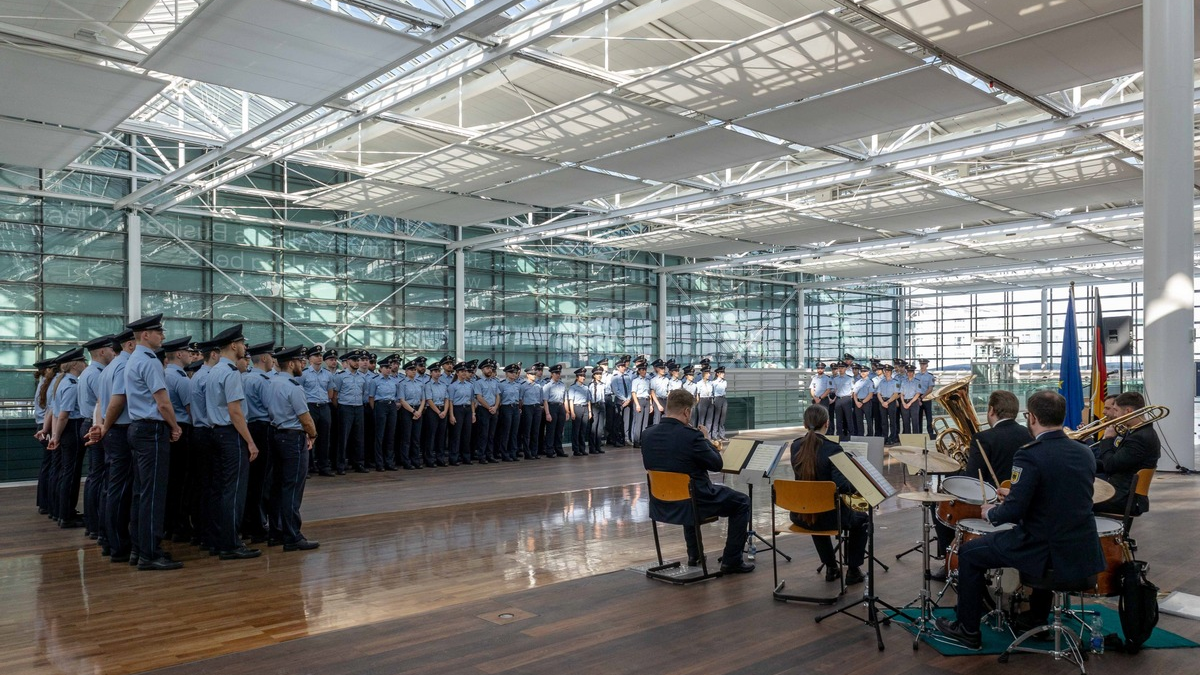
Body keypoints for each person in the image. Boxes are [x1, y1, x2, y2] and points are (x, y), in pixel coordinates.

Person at [936, 390, 1104, 649]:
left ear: (1032, 417)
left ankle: (967, 629)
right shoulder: (1084, 451)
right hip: (1080, 547)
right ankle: (1034, 619)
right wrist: (1015, 492)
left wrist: (991, 512)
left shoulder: (1030, 454)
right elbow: (1058, 494)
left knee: (969, 553)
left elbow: (1012, 513)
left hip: (1040, 546)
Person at [641, 389, 753, 574]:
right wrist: (707, 439)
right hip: (697, 501)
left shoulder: (647, 434)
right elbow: (716, 465)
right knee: (741, 502)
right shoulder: (692, 436)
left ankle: (695, 555)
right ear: (686, 411)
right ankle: (731, 560)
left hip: (660, 502)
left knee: (686, 491)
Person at [931, 390, 1032, 571]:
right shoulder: (1030, 435)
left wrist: (958, 468)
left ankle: (949, 559)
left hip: (990, 503)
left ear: (991, 410)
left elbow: (971, 480)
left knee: (939, 503)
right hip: (1022, 502)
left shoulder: (983, 438)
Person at [123, 315, 184, 570]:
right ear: (145, 335)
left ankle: (140, 548)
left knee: (141, 492)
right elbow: (162, 402)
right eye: (159, 332)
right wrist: (175, 426)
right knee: (153, 494)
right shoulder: (149, 362)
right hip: (152, 430)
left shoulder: (133, 359)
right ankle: (150, 553)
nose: (163, 336)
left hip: (138, 429)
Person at [789, 404, 868, 585]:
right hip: (830, 518)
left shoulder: (795, 446)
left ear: (804, 424)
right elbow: (842, 486)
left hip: (800, 515)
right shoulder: (833, 449)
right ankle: (853, 570)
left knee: (815, 511)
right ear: (827, 423)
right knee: (862, 518)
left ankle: (831, 567)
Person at [205, 324, 262, 561]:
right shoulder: (230, 373)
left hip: (215, 433)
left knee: (221, 490)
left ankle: (220, 541)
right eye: (243, 343)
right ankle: (231, 544)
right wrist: (251, 442)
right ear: (234, 345)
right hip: (231, 435)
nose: (245, 347)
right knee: (234, 491)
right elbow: (235, 411)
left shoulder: (213, 371)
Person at [265, 345, 319, 551]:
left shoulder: (271, 382)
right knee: (293, 488)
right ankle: (292, 535)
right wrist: (313, 435)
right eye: (299, 361)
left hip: (276, 434)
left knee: (278, 487)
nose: (302, 364)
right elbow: (305, 419)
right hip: (293, 438)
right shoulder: (293, 387)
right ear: (291, 364)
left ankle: (276, 532)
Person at [96, 329, 137, 563]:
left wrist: (102, 426)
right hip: (119, 431)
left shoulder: (111, 367)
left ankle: (110, 539)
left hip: (113, 430)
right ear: (130, 345)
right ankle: (119, 544)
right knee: (120, 491)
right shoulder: (122, 367)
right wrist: (106, 426)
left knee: (112, 488)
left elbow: (102, 402)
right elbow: (116, 402)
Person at [1093, 391, 1160, 515]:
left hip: (1123, 498)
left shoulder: (1140, 438)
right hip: (1121, 491)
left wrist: (1107, 439)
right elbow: (1114, 460)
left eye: (1116, 410)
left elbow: (1110, 465)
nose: (1115, 415)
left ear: (1128, 411)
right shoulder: (1136, 432)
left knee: (1073, 499)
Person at [46, 347, 88, 529]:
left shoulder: (60, 383)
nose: (85, 364)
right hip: (72, 428)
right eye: (83, 361)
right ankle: (67, 515)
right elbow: (63, 415)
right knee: (71, 473)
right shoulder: (71, 385)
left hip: (64, 430)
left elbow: (55, 414)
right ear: (75, 364)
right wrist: (57, 435)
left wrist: (55, 435)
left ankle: (61, 511)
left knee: (65, 472)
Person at [78, 335, 114, 541]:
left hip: (88, 421)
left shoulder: (87, 373)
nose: (112, 352)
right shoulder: (98, 375)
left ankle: (92, 524)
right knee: (100, 477)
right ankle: (97, 524)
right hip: (96, 423)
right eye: (110, 349)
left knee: (94, 476)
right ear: (102, 352)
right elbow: (105, 403)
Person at [241, 341, 276, 543]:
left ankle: (247, 523)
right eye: (271, 356)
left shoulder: (243, 378)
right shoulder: (262, 381)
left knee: (251, 479)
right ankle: (258, 525)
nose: (273, 361)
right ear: (263, 358)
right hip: (262, 428)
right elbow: (272, 409)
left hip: (248, 428)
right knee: (262, 482)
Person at [161, 336, 194, 544]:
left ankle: (168, 524)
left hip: (167, 431)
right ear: (180, 354)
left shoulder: (163, 375)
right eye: (189, 352)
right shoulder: (181, 379)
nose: (191, 355)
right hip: (183, 431)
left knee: (170, 481)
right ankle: (180, 526)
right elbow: (192, 411)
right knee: (183, 483)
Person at [332, 351, 367, 473]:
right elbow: (335, 396)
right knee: (343, 438)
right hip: (345, 407)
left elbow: (364, 393)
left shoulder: (362, 377)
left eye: (358, 360)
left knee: (359, 437)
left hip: (359, 407)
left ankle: (358, 463)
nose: (357, 363)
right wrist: (341, 408)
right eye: (354, 360)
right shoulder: (340, 376)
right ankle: (340, 465)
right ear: (347, 362)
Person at [301, 346, 334, 477]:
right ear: (309, 359)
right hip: (310, 406)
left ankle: (323, 466)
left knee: (325, 438)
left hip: (324, 406)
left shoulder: (328, 374)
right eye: (316, 355)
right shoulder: (303, 374)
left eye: (320, 355)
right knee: (308, 437)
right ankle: (308, 466)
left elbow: (330, 393)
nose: (319, 357)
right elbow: (299, 392)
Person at [368, 358, 399, 471]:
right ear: (380, 369)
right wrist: (375, 410)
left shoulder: (393, 381)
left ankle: (389, 462)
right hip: (380, 405)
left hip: (391, 406)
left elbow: (396, 396)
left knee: (390, 435)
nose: (388, 370)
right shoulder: (375, 380)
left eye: (390, 368)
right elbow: (371, 397)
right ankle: (379, 463)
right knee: (379, 436)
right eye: (386, 368)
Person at [423, 363, 451, 466]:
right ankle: (429, 459)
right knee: (431, 435)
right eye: (435, 371)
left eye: (439, 371)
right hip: (432, 411)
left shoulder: (443, 385)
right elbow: (429, 400)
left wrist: (444, 411)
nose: (438, 373)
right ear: (431, 373)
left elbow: (446, 399)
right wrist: (439, 412)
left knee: (441, 435)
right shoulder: (428, 385)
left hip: (443, 410)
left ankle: (440, 458)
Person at [447, 362, 475, 465]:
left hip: (467, 409)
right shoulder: (453, 386)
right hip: (457, 409)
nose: (464, 373)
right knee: (456, 435)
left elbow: (472, 400)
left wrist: (473, 413)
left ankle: (466, 457)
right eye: (462, 371)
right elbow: (450, 401)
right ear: (457, 373)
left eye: (465, 371)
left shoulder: (470, 385)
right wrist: (451, 415)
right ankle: (454, 457)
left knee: (467, 434)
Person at [472, 359, 500, 463]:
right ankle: (482, 456)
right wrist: (489, 407)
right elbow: (479, 397)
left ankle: (490, 455)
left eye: (491, 368)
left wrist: (495, 407)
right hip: (483, 410)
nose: (490, 370)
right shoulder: (478, 382)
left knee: (491, 434)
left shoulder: (494, 382)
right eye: (487, 368)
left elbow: (497, 395)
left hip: (493, 409)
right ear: (482, 369)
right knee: (483, 434)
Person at [496, 363, 523, 461]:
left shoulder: (518, 385)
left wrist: (519, 408)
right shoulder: (501, 384)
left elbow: (520, 399)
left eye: (515, 372)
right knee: (506, 431)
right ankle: (504, 453)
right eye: (511, 372)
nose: (513, 374)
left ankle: (513, 452)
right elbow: (499, 398)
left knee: (514, 432)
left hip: (515, 408)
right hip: (506, 407)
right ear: (506, 373)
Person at [517, 365, 544, 460]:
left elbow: (541, 399)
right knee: (527, 431)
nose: (534, 376)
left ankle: (534, 452)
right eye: (532, 374)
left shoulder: (538, 386)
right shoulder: (523, 386)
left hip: (536, 407)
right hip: (527, 407)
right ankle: (527, 453)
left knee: (535, 431)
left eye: (534, 374)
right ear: (527, 375)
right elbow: (520, 399)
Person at [542, 364, 568, 458]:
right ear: (552, 374)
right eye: (556, 373)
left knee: (559, 430)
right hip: (551, 406)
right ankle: (549, 450)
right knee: (551, 430)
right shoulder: (548, 386)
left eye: (559, 373)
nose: (558, 375)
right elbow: (545, 400)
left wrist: (567, 411)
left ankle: (559, 449)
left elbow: (564, 399)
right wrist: (547, 413)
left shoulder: (562, 385)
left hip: (560, 407)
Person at [566, 367, 591, 456]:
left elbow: (588, 400)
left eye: (584, 376)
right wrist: (572, 412)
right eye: (581, 376)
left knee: (583, 430)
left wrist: (590, 411)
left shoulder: (586, 387)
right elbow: (571, 400)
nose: (583, 377)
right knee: (576, 430)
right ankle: (576, 449)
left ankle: (582, 448)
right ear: (577, 377)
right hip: (577, 408)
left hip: (585, 408)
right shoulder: (573, 387)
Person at [876, 365, 900, 445]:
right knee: (884, 421)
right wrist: (883, 402)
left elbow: (896, 394)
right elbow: (878, 393)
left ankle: (892, 437)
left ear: (891, 372)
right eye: (885, 371)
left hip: (891, 401)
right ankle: (885, 437)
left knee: (892, 421)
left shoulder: (895, 382)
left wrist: (887, 402)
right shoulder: (881, 382)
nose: (886, 373)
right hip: (882, 401)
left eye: (888, 371)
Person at [630, 363, 652, 445]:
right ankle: (636, 441)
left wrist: (650, 404)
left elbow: (649, 393)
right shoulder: (636, 381)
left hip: (646, 400)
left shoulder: (647, 380)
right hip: (639, 400)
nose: (644, 371)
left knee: (645, 422)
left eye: (645, 370)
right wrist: (637, 404)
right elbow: (633, 393)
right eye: (642, 370)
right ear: (639, 371)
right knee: (638, 422)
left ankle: (643, 440)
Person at [587, 366, 607, 455]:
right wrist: (590, 410)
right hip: (594, 405)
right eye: (597, 374)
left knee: (600, 428)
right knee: (593, 428)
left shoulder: (602, 384)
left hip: (601, 405)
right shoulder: (591, 385)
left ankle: (598, 446)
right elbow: (589, 398)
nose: (599, 376)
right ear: (594, 375)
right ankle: (592, 447)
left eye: (600, 374)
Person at [916, 359, 937, 439]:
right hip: (918, 397)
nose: (922, 366)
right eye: (921, 364)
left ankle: (930, 433)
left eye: (924, 364)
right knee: (919, 416)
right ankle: (919, 433)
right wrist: (918, 398)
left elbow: (930, 389)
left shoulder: (930, 376)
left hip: (927, 397)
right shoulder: (916, 376)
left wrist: (922, 397)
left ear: (927, 365)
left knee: (929, 416)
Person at [899, 365, 922, 434]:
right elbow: (901, 393)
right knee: (906, 422)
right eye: (908, 372)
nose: (910, 373)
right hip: (904, 402)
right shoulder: (903, 381)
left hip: (913, 402)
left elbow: (918, 394)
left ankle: (915, 438)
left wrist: (910, 403)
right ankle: (907, 438)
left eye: (911, 372)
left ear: (914, 372)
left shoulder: (917, 382)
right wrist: (903, 403)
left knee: (915, 421)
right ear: (906, 372)